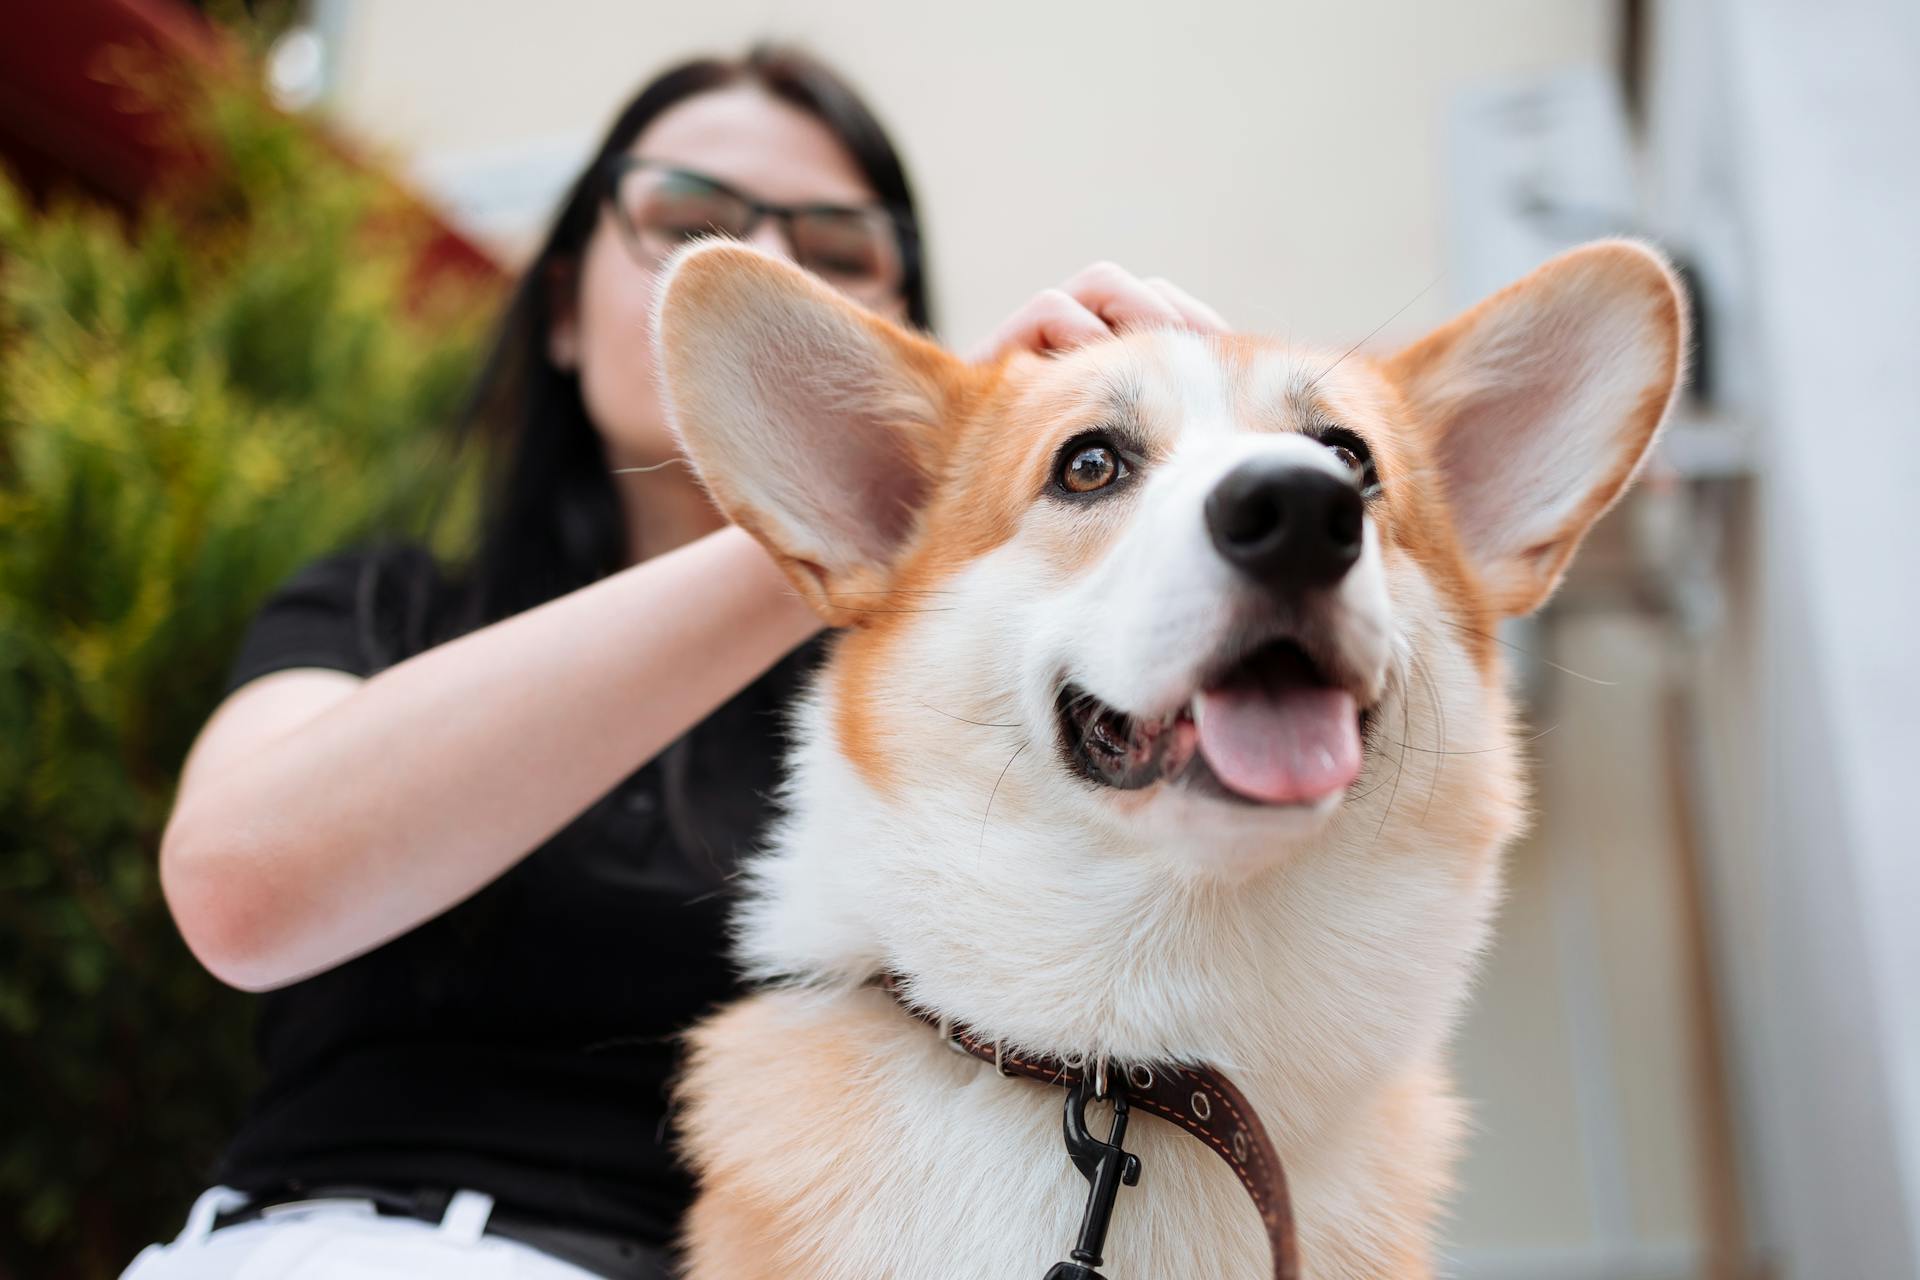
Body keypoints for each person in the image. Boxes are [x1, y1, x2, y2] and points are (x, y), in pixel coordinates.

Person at [129, 44, 1228, 1280]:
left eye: (842, 247)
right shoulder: (383, 607)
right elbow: (239, 890)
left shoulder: (968, 701)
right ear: (556, 308)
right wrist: (849, 518)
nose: (771, 266)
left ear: (903, 329)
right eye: (687, 221)